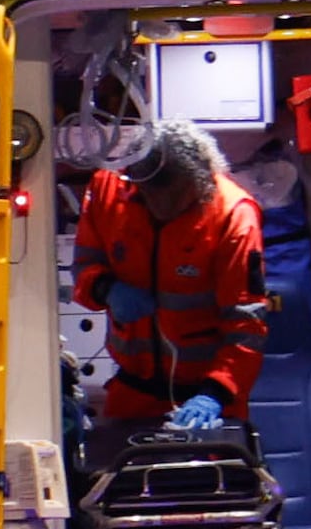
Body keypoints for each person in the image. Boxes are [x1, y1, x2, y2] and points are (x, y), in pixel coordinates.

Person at [72, 118, 269, 432]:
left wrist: (215, 394)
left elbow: (246, 326)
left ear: (201, 181)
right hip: (132, 394)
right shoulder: (106, 190)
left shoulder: (234, 216)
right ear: (135, 181)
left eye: (175, 198)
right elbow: (83, 268)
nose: (162, 208)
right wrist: (105, 289)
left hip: (208, 399)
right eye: (151, 196)